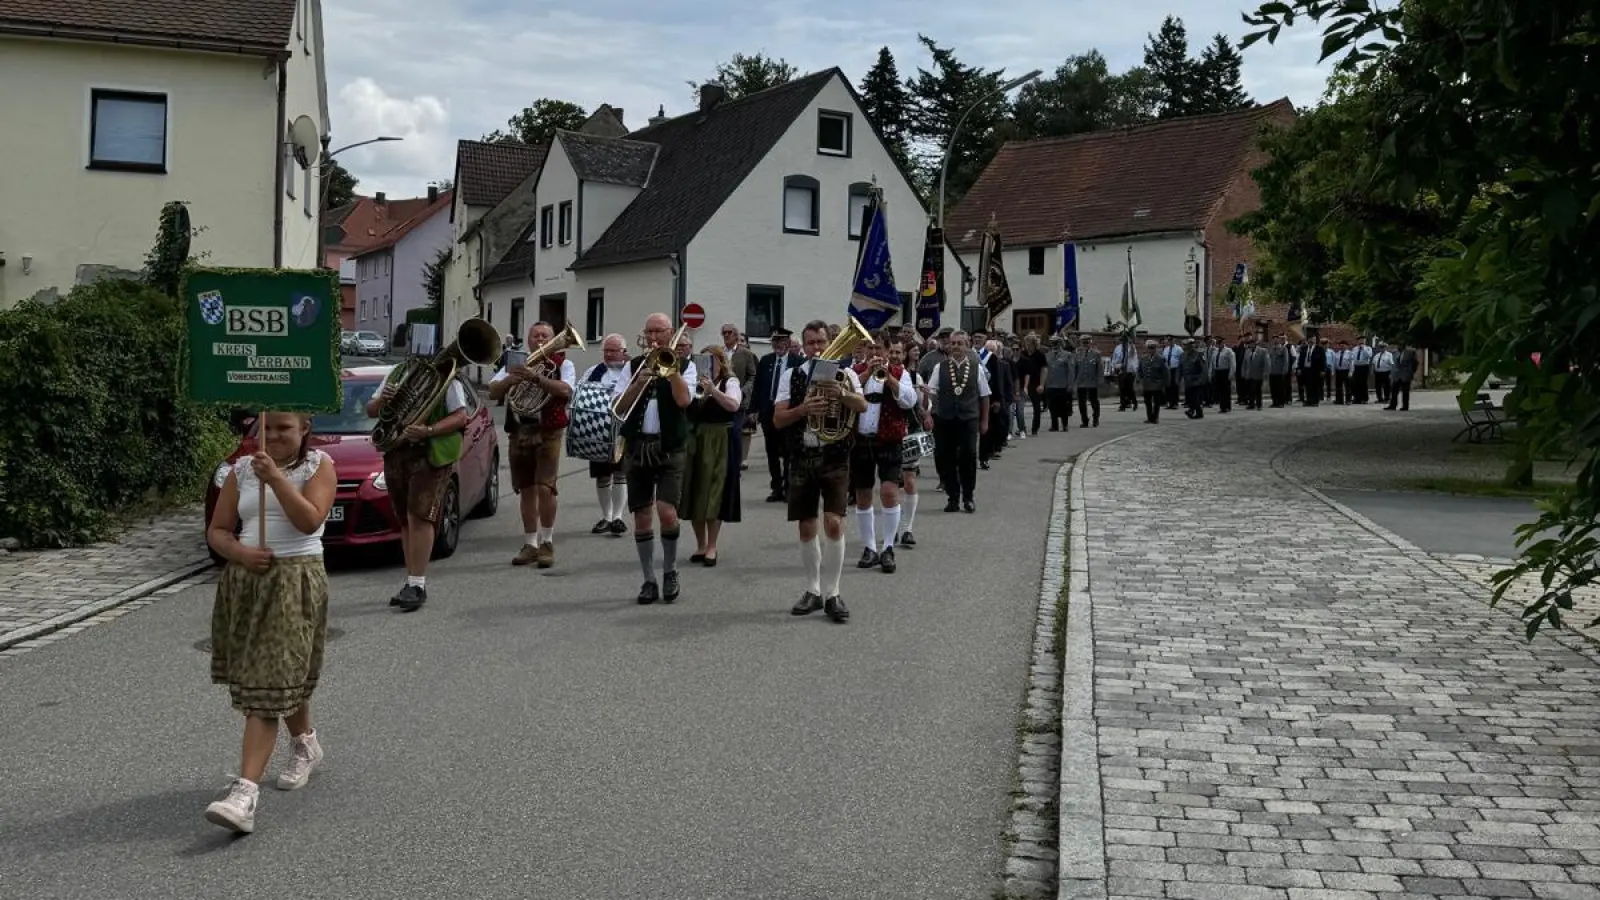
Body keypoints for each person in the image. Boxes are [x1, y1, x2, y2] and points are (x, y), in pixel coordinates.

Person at [203, 411, 337, 833]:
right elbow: (219, 530)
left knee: (268, 683)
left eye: (285, 428)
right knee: (277, 675)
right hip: (248, 582)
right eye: (269, 427)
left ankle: (244, 795)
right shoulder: (241, 470)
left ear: (304, 430)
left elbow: (310, 519)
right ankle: (306, 744)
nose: (275, 435)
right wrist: (240, 554)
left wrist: (276, 479)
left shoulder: (320, 467)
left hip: (295, 578)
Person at [773, 319, 866, 622]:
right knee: (806, 526)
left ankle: (833, 592)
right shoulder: (792, 375)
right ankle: (813, 590)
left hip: (836, 455)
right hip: (802, 455)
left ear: (829, 342)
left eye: (821, 341)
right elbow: (778, 420)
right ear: (804, 346)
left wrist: (841, 394)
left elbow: (862, 406)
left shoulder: (848, 372)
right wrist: (803, 410)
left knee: (835, 524)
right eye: (811, 342)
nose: (817, 347)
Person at [367, 355, 471, 611]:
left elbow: (461, 417)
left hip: (429, 452)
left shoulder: (447, 379)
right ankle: (411, 580)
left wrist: (429, 430)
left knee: (420, 516)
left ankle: (418, 583)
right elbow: (371, 410)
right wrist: (384, 400)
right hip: (397, 452)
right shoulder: (395, 373)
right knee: (404, 518)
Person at [613, 313, 696, 604]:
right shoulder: (632, 367)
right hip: (638, 447)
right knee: (642, 516)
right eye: (648, 332)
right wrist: (638, 382)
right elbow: (618, 408)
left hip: (670, 447)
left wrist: (670, 369)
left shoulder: (686, 365)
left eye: (659, 331)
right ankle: (648, 579)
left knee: (667, 511)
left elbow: (685, 401)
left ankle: (670, 570)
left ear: (670, 332)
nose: (653, 337)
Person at [488, 321, 576, 568]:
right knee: (525, 489)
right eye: (535, 335)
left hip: (548, 432)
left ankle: (547, 541)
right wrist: (511, 380)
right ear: (528, 340)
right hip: (519, 430)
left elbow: (566, 391)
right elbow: (494, 391)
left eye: (545, 336)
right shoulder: (516, 361)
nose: (539, 340)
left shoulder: (563, 363)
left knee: (546, 488)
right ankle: (530, 543)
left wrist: (536, 378)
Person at [850, 332, 918, 574]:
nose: (874, 353)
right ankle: (869, 548)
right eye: (870, 348)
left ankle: (888, 547)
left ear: (888, 351)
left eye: (878, 349)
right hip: (861, 441)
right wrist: (866, 373)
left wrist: (889, 379)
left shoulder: (901, 373)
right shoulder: (856, 371)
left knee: (889, 492)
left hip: (889, 440)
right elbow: (844, 396)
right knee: (862, 495)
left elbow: (909, 401)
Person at [683, 344, 742, 566]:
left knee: (715, 493)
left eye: (712, 360)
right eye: (703, 360)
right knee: (696, 491)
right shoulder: (694, 380)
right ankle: (700, 544)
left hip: (720, 439)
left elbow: (734, 405)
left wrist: (713, 391)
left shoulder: (730, 381)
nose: (707, 365)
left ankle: (712, 546)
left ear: (720, 361)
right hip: (697, 438)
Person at [929, 330, 990, 514]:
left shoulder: (976, 367)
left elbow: (985, 395)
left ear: (967, 346)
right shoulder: (940, 368)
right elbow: (932, 391)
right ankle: (953, 497)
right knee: (946, 458)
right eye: (953, 343)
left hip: (968, 418)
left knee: (969, 456)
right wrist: (928, 411)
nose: (955, 347)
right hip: (945, 418)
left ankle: (968, 497)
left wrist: (984, 421)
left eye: (959, 343)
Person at [579, 333, 632, 536]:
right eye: (606, 350)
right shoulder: (594, 371)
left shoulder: (630, 372)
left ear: (623, 352)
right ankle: (606, 516)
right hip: (598, 429)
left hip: (621, 429)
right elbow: (580, 393)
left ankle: (618, 517)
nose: (608, 354)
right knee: (602, 475)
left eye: (613, 350)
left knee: (620, 473)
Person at [753, 328, 799, 503]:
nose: (778, 345)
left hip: (787, 412)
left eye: (782, 341)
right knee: (771, 452)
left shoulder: (796, 361)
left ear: (788, 343)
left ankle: (789, 487)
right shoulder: (766, 361)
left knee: (788, 451)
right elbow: (758, 387)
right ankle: (776, 488)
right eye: (775, 341)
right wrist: (754, 410)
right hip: (768, 412)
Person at [1137, 340, 1169, 423]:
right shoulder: (1143, 359)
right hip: (1147, 384)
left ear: (1156, 349)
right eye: (1149, 348)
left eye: (1153, 348)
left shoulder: (1161, 359)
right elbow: (1139, 371)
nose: (1151, 350)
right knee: (1147, 402)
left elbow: (1165, 373)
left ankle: (1155, 418)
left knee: (1156, 402)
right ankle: (1149, 417)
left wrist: (1164, 383)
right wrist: (1141, 381)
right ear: (1147, 349)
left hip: (1157, 384)